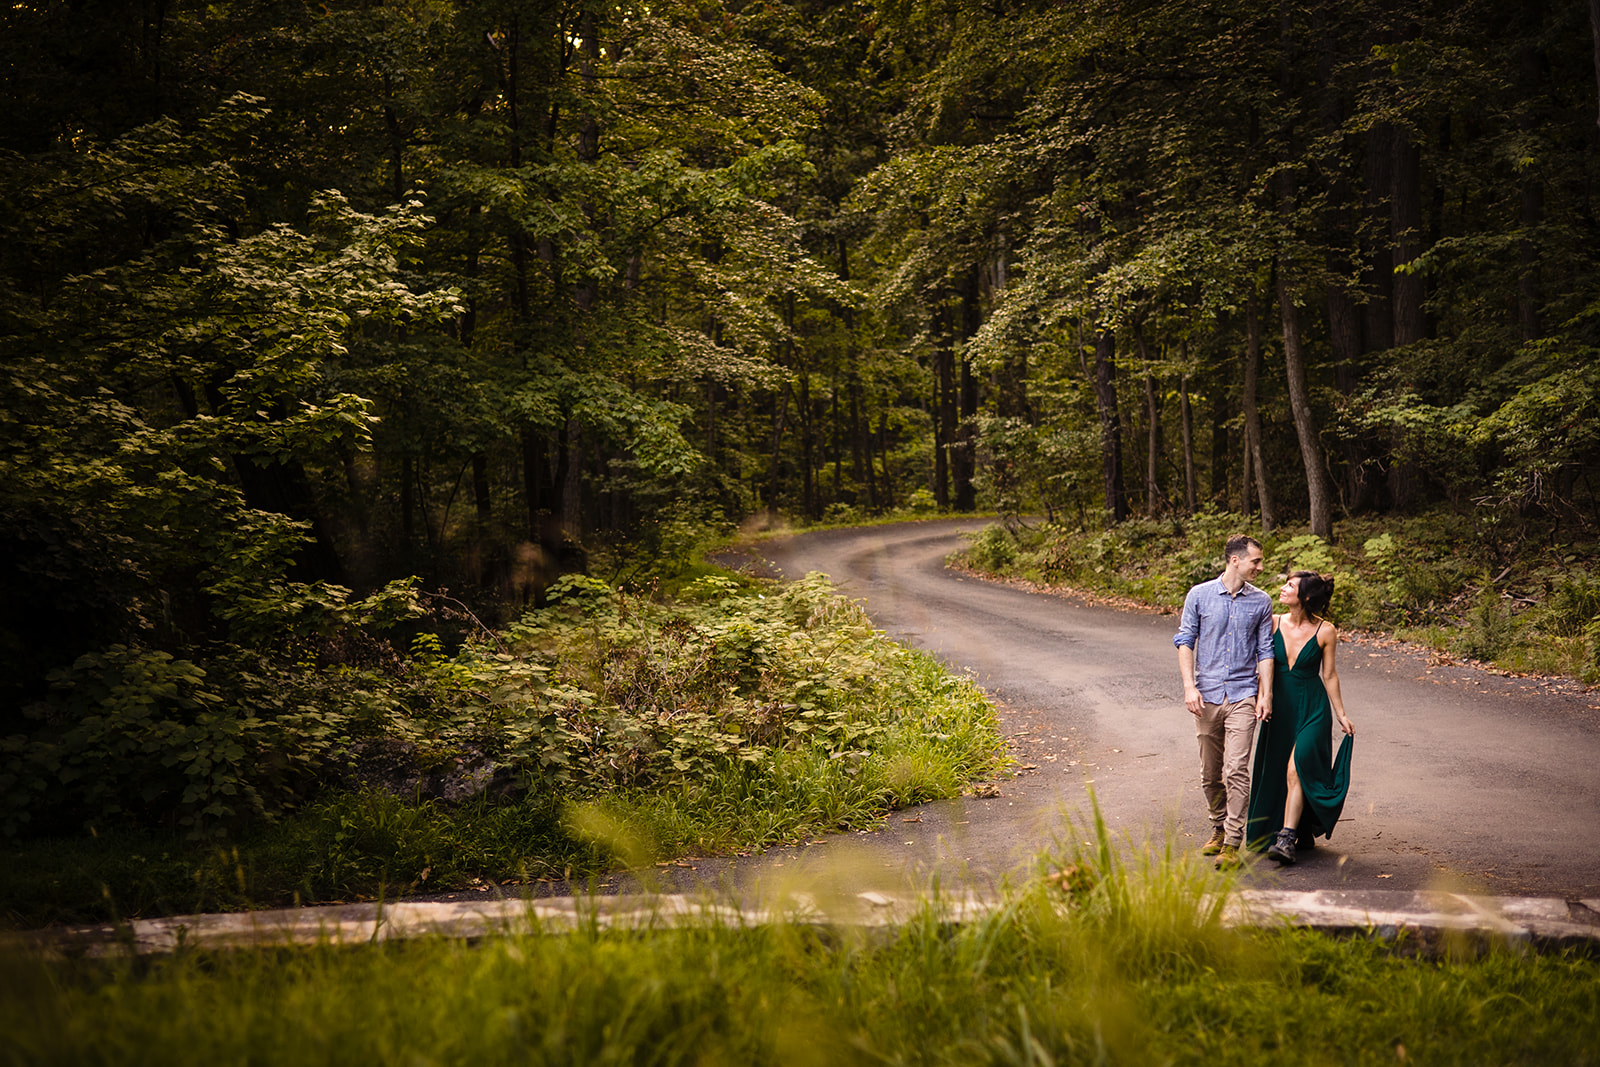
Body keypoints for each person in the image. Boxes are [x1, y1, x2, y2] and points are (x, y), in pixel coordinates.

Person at [1174, 534, 1275, 869]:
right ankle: (1218, 826)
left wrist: (1266, 693)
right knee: (1210, 771)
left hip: (1244, 694)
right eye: (1255, 561)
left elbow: (1265, 650)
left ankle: (1232, 842)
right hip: (1207, 695)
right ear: (1235, 560)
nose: (1260, 567)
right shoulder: (1199, 595)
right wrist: (1190, 687)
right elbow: (1185, 640)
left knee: (1236, 769)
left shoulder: (1261, 601)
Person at [1245, 571, 1355, 864]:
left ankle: (1286, 838)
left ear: (1305, 597)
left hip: (1313, 709)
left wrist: (1341, 713)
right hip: (1279, 708)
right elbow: (1261, 662)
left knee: (1297, 768)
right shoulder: (1272, 622)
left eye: (1290, 585)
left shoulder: (1326, 631)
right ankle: (1281, 830)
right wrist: (1259, 696)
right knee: (1277, 769)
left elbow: (1329, 675)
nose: (1282, 588)